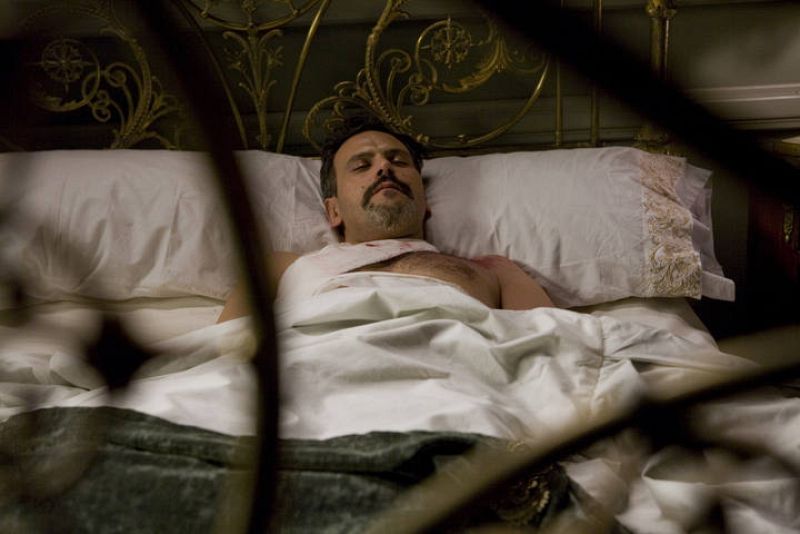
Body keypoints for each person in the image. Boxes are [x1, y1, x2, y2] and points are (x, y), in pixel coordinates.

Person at [217, 118, 553, 323]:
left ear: (425, 203)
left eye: (398, 161)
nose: (384, 167)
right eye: (362, 166)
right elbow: (226, 354)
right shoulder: (279, 268)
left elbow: (553, 345)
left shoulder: (494, 270)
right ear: (333, 211)